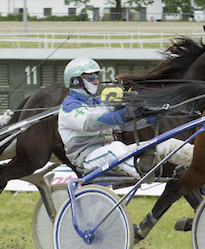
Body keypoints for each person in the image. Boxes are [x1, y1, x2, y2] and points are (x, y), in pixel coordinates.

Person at [58, 57, 193, 179]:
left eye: (96, 76)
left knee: (167, 144)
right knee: (115, 147)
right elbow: (91, 124)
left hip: (115, 156)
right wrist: (124, 114)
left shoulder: (98, 102)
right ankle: (141, 173)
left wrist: (149, 117)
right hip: (88, 159)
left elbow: (122, 125)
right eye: (91, 77)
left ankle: (200, 163)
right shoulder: (69, 108)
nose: (96, 81)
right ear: (75, 81)